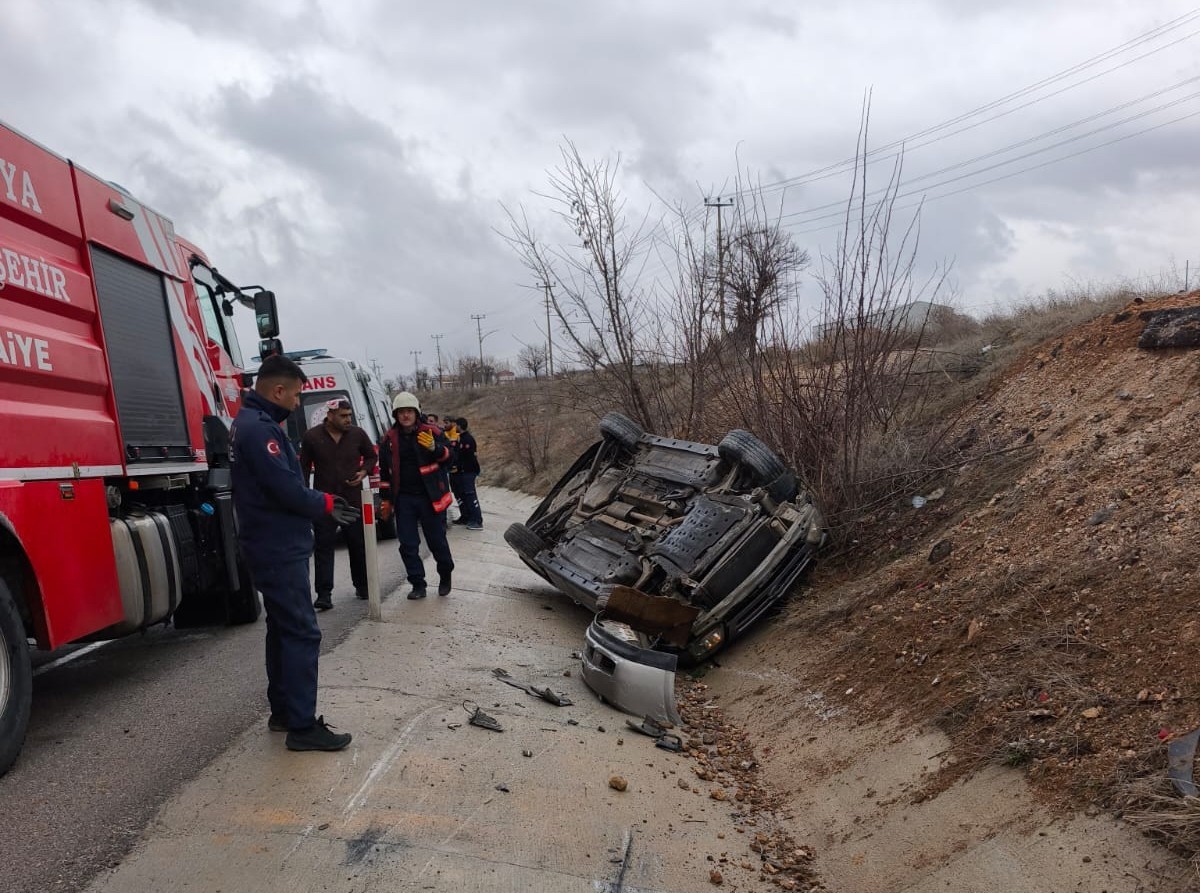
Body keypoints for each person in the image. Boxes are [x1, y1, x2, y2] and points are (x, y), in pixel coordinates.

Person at [230, 354, 360, 752]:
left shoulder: (250, 423)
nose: (297, 403)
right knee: (302, 632)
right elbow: (284, 487)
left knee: (282, 629)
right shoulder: (259, 431)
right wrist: (324, 503)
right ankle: (302, 726)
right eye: (296, 395)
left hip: (269, 542)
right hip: (277, 546)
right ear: (278, 389)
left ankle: (284, 712)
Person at [299, 399, 378, 610]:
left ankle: (362, 586)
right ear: (330, 415)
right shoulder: (312, 436)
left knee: (357, 544)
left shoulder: (357, 434)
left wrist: (363, 472)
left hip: (352, 499)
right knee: (324, 547)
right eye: (343, 416)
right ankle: (324, 594)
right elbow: (304, 468)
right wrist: (304, 496)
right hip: (325, 502)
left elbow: (371, 457)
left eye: (349, 415)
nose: (348, 420)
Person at [378, 391, 455, 599]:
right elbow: (385, 473)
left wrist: (435, 448)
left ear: (416, 412)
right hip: (404, 499)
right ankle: (417, 584)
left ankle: (445, 573)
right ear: (396, 414)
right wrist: (385, 499)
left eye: (409, 411)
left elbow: (450, 459)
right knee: (408, 545)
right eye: (401, 412)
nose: (405, 416)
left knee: (437, 541)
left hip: (430, 497)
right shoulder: (388, 439)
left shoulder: (433, 432)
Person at [448, 417, 483, 530]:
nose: (454, 428)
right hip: (460, 472)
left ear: (459, 426)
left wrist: (460, 467)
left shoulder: (467, 440)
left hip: (467, 472)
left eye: (456, 425)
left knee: (470, 495)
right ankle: (466, 517)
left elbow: (468, 458)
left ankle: (477, 520)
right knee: (461, 495)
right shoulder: (460, 439)